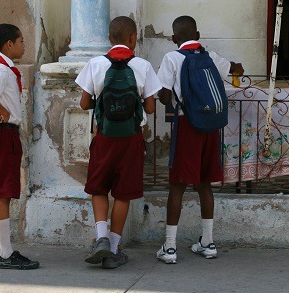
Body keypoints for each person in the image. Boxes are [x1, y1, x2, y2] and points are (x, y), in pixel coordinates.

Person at [155, 15, 244, 264]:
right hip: (211, 126)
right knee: (205, 183)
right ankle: (208, 242)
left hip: (186, 124)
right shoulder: (210, 56)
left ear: (174, 39)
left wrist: (168, 93)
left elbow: (163, 97)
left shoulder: (172, 58)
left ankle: (170, 247)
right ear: (197, 35)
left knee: (178, 184)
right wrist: (238, 68)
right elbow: (235, 69)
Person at [75, 16, 161, 269]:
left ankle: (100, 237)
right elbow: (151, 107)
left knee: (99, 187)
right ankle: (113, 247)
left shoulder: (96, 63)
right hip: (131, 138)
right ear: (133, 38)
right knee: (123, 193)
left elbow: (83, 103)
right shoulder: (143, 65)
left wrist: (100, 103)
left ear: (110, 39)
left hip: (104, 136)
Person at [0, 23, 40, 270]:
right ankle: (6, 253)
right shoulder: (2, 71)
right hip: (3, 135)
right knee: (3, 193)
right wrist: (2, 110)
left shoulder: (0, 67)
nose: (24, 45)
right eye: (21, 40)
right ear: (8, 45)